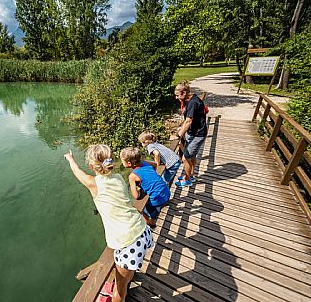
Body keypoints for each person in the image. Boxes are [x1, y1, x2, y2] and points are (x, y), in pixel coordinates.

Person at [64, 145, 154, 302]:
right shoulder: (118, 177)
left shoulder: (94, 184)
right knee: (125, 275)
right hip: (141, 230)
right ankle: (128, 275)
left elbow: (77, 172)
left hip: (128, 242)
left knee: (119, 291)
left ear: (92, 166)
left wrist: (70, 158)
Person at [120, 147, 170, 228]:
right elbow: (155, 165)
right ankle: (162, 205)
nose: (122, 163)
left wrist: (139, 188)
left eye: (122, 162)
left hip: (157, 198)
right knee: (159, 203)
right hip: (166, 191)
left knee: (146, 212)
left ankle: (151, 224)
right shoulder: (145, 163)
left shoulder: (132, 176)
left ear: (129, 163)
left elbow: (136, 196)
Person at [174, 80, 208, 187]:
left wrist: (178, 135)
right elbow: (187, 119)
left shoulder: (192, 103)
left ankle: (187, 179)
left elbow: (189, 121)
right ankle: (191, 175)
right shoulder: (192, 98)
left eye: (178, 95)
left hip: (198, 134)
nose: (176, 98)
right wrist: (182, 128)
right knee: (192, 156)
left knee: (185, 158)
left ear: (184, 93)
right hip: (194, 132)